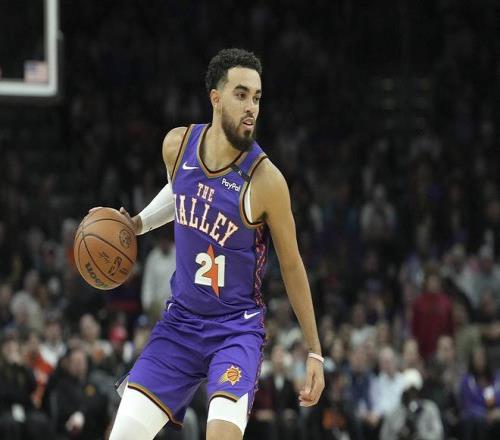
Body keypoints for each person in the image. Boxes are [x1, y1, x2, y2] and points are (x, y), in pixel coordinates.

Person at [104, 48, 324, 440]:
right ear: (216, 98)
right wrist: (138, 223)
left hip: (235, 330)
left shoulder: (266, 181)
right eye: (241, 95)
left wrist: (314, 351)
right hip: (180, 324)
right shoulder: (177, 145)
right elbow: (180, 192)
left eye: (257, 97)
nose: (251, 107)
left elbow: (292, 266)